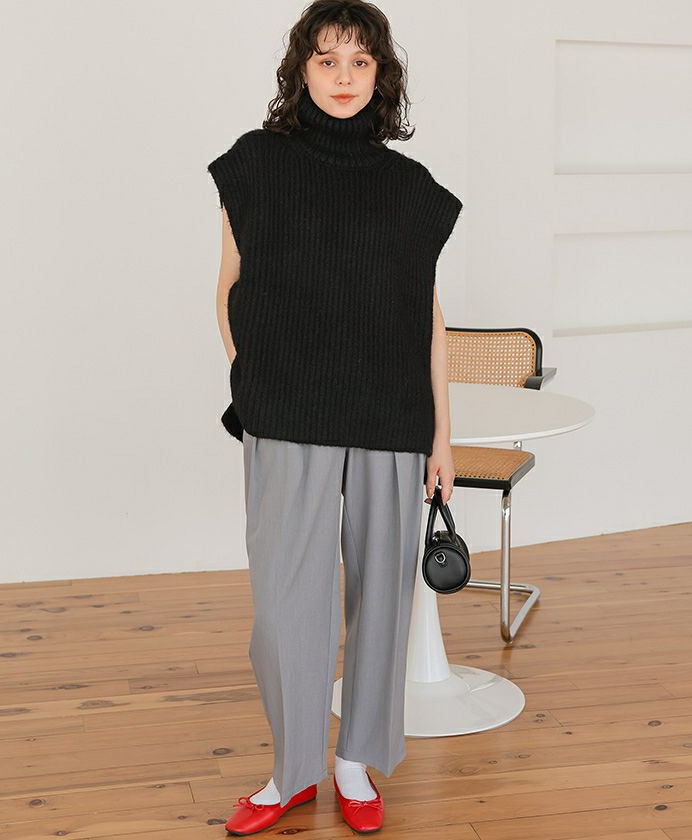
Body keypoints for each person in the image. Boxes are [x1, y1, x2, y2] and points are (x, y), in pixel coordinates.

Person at [207, 1, 462, 834]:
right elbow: (229, 286)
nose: (344, 77)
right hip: (287, 411)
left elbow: (428, 319)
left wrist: (442, 437)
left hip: (391, 415)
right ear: (302, 71)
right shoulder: (255, 164)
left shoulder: (411, 190)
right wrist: (252, 377)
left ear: (381, 75)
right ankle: (291, 773)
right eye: (327, 60)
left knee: (382, 599)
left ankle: (354, 763)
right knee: (285, 604)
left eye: (360, 61)